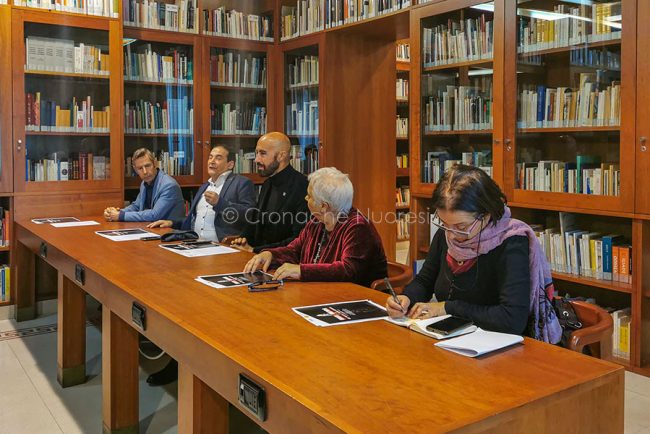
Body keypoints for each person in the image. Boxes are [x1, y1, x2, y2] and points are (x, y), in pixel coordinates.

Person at [386, 165, 561, 343]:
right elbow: (425, 280)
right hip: (451, 338)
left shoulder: (511, 242)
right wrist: (407, 298)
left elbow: (511, 319)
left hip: (499, 348)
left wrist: (447, 308)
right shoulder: (446, 234)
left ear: (485, 215)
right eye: (444, 223)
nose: (452, 234)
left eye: (461, 227)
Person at [243, 167, 387, 288]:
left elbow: (347, 270)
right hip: (318, 291)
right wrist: (270, 254)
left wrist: (302, 271)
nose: (306, 199)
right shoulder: (316, 221)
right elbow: (295, 249)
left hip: (353, 299)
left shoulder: (357, 226)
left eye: (309, 196)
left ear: (324, 206)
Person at [148, 145, 256, 240]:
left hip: (223, 245)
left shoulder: (241, 183)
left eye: (218, 158)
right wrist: (172, 223)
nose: (212, 161)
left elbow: (250, 215)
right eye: (210, 157)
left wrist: (220, 203)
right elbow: (192, 219)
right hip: (195, 243)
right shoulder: (204, 186)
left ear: (230, 164)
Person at [227, 132, 309, 252]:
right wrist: (242, 240)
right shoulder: (267, 184)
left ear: (281, 156)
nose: (256, 159)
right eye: (256, 153)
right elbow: (255, 220)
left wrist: (256, 250)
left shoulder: (302, 186)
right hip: (258, 256)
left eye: (263, 153)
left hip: (283, 261)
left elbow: (298, 239)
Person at [104, 148, 184, 222]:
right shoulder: (145, 183)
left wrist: (121, 216)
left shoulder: (169, 185)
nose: (145, 172)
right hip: (152, 229)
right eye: (140, 168)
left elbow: (154, 215)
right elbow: (136, 206)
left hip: (171, 233)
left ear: (155, 164)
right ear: (135, 170)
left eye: (147, 166)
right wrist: (115, 212)